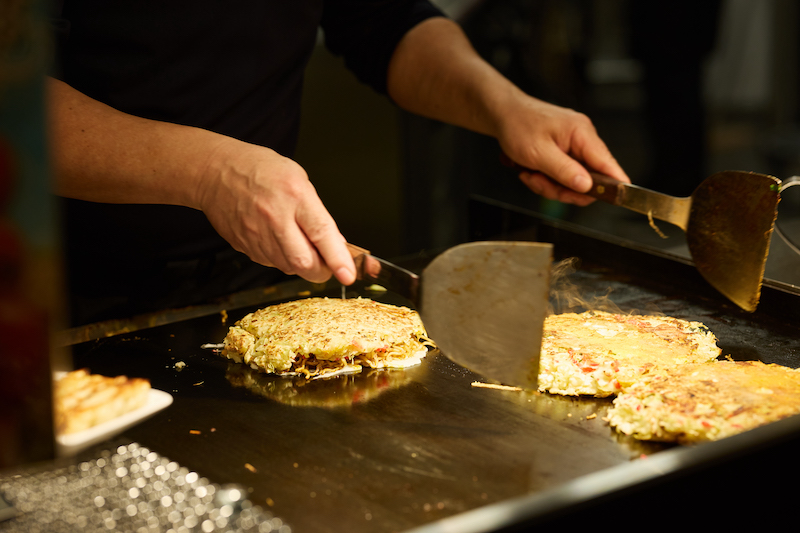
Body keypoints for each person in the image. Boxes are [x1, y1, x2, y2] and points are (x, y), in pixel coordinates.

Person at [49, 1, 629, 326]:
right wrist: (209, 171)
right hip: (52, 285)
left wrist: (505, 106)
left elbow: (379, 19)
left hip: (252, 278)